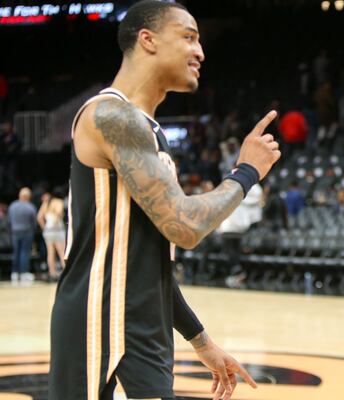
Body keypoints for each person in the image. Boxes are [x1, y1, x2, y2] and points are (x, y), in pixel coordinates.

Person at [49, 2, 280, 400]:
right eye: (189, 37)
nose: (200, 52)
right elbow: (185, 226)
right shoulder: (111, 115)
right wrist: (246, 173)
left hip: (141, 325)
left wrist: (200, 339)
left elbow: (147, 262)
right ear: (147, 40)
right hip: (103, 328)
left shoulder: (146, 131)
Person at [7, 187, 37, 285]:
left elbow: (9, 220)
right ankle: (24, 273)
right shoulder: (30, 207)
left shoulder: (12, 206)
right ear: (28, 197)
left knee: (16, 252)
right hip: (27, 231)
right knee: (25, 252)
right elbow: (34, 222)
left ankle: (14, 273)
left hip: (15, 231)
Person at [37, 192, 66, 281]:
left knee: (50, 252)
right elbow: (58, 213)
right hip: (57, 230)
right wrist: (56, 222)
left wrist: (44, 227)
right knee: (61, 252)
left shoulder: (45, 204)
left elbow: (39, 217)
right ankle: (66, 271)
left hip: (48, 231)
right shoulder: (59, 202)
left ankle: (52, 272)